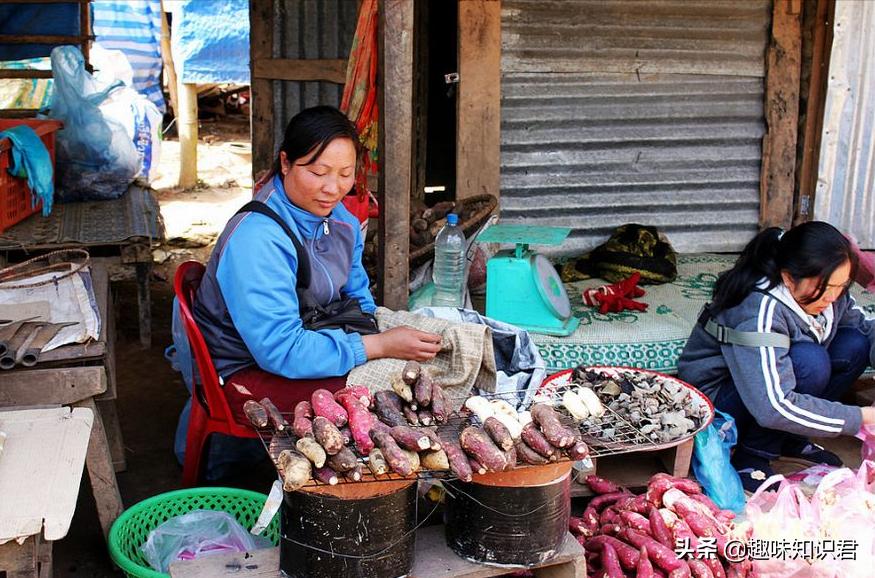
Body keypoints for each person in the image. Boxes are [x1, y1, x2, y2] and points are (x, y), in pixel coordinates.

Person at [193, 106, 441, 421]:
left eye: (345, 174)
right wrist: (376, 347)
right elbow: (280, 350)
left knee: (431, 368)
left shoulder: (342, 222)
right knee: (391, 397)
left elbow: (358, 300)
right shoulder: (257, 239)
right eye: (318, 172)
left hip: (313, 338)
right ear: (285, 163)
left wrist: (378, 335)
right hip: (245, 370)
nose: (333, 188)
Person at [678, 221, 875, 492]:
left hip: (768, 388)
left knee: (855, 343)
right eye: (825, 287)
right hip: (720, 400)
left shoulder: (832, 294)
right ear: (788, 277)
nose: (832, 296)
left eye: (841, 286)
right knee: (810, 361)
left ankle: (792, 440)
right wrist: (862, 416)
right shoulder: (761, 308)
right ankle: (753, 456)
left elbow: (868, 328)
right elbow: (773, 406)